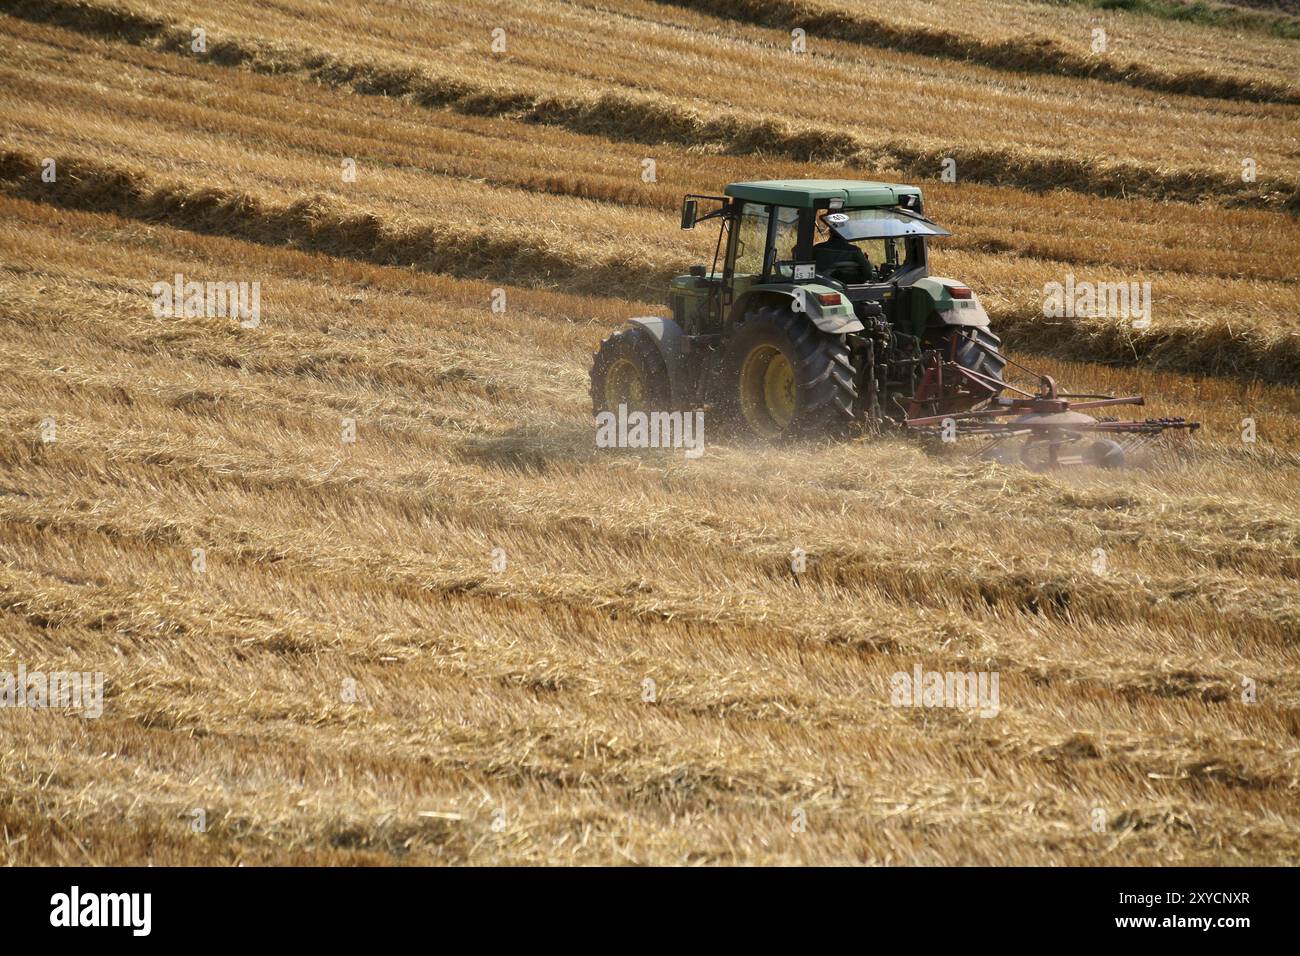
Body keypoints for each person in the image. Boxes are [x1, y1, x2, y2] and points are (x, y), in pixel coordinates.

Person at [813, 213, 871, 282]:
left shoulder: (817, 249)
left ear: (830, 232)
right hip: (851, 286)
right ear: (846, 233)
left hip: (822, 286)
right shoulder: (855, 251)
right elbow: (868, 274)